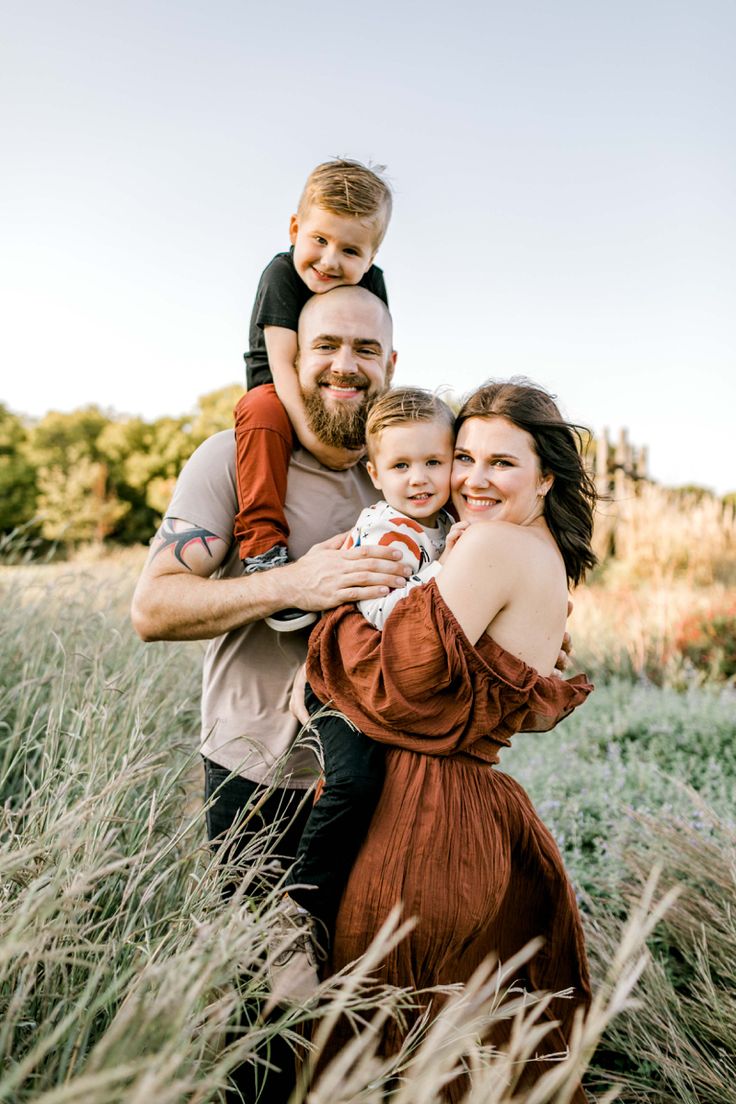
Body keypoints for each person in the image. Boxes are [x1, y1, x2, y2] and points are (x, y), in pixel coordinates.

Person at [131, 286, 408, 1103]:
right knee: (262, 1018)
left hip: (376, 784)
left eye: (366, 349)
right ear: (293, 354)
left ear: (392, 364)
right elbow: (153, 607)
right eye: (327, 345)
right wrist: (297, 580)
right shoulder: (232, 457)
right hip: (252, 781)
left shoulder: (410, 472)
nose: (345, 365)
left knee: (364, 1004)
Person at [304, 380, 597, 1102]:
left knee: (373, 1047)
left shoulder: (491, 544)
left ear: (546, 475)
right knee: (459, 1052)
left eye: (501, 462)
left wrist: (331, 611)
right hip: (480, 817)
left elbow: (393, 684)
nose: (470, 478)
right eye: (463, 456)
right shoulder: (542, 552)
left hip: (425, 823)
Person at [274, 389, 462, 998]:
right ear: (374, 473)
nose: (420, 479)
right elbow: (382, 610)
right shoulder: (389, 531)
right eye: (401, 467)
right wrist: (451, 573)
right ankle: (295, 909)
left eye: (434, 462)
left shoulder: (449, 528)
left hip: (380, 686)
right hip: (345, 682)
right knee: (354, 780)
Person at [233, 159, 392, 630]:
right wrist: (319, 441)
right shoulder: (280, 275)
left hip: (341, 392)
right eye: (319, 241)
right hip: (279, 388)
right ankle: (263, 549)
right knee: (258, 411)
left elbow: (376, 355)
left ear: (371, 256)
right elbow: (283, 365)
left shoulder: (374, 284)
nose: (329, 261)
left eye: (349, 250)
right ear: (295, 227)